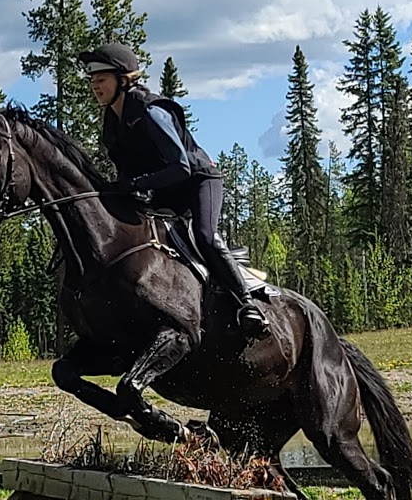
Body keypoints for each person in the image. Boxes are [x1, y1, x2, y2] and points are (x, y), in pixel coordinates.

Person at [78, 43, 269, 338]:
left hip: (198, 180)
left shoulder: (152, 112)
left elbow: (181, 167)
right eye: (92, 81)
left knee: (204, 236)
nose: (95, 86)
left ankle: (247, 304)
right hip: (163, 191)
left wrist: (138, 185)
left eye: (101, 79)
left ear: (123, 79)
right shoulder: (111, 122)